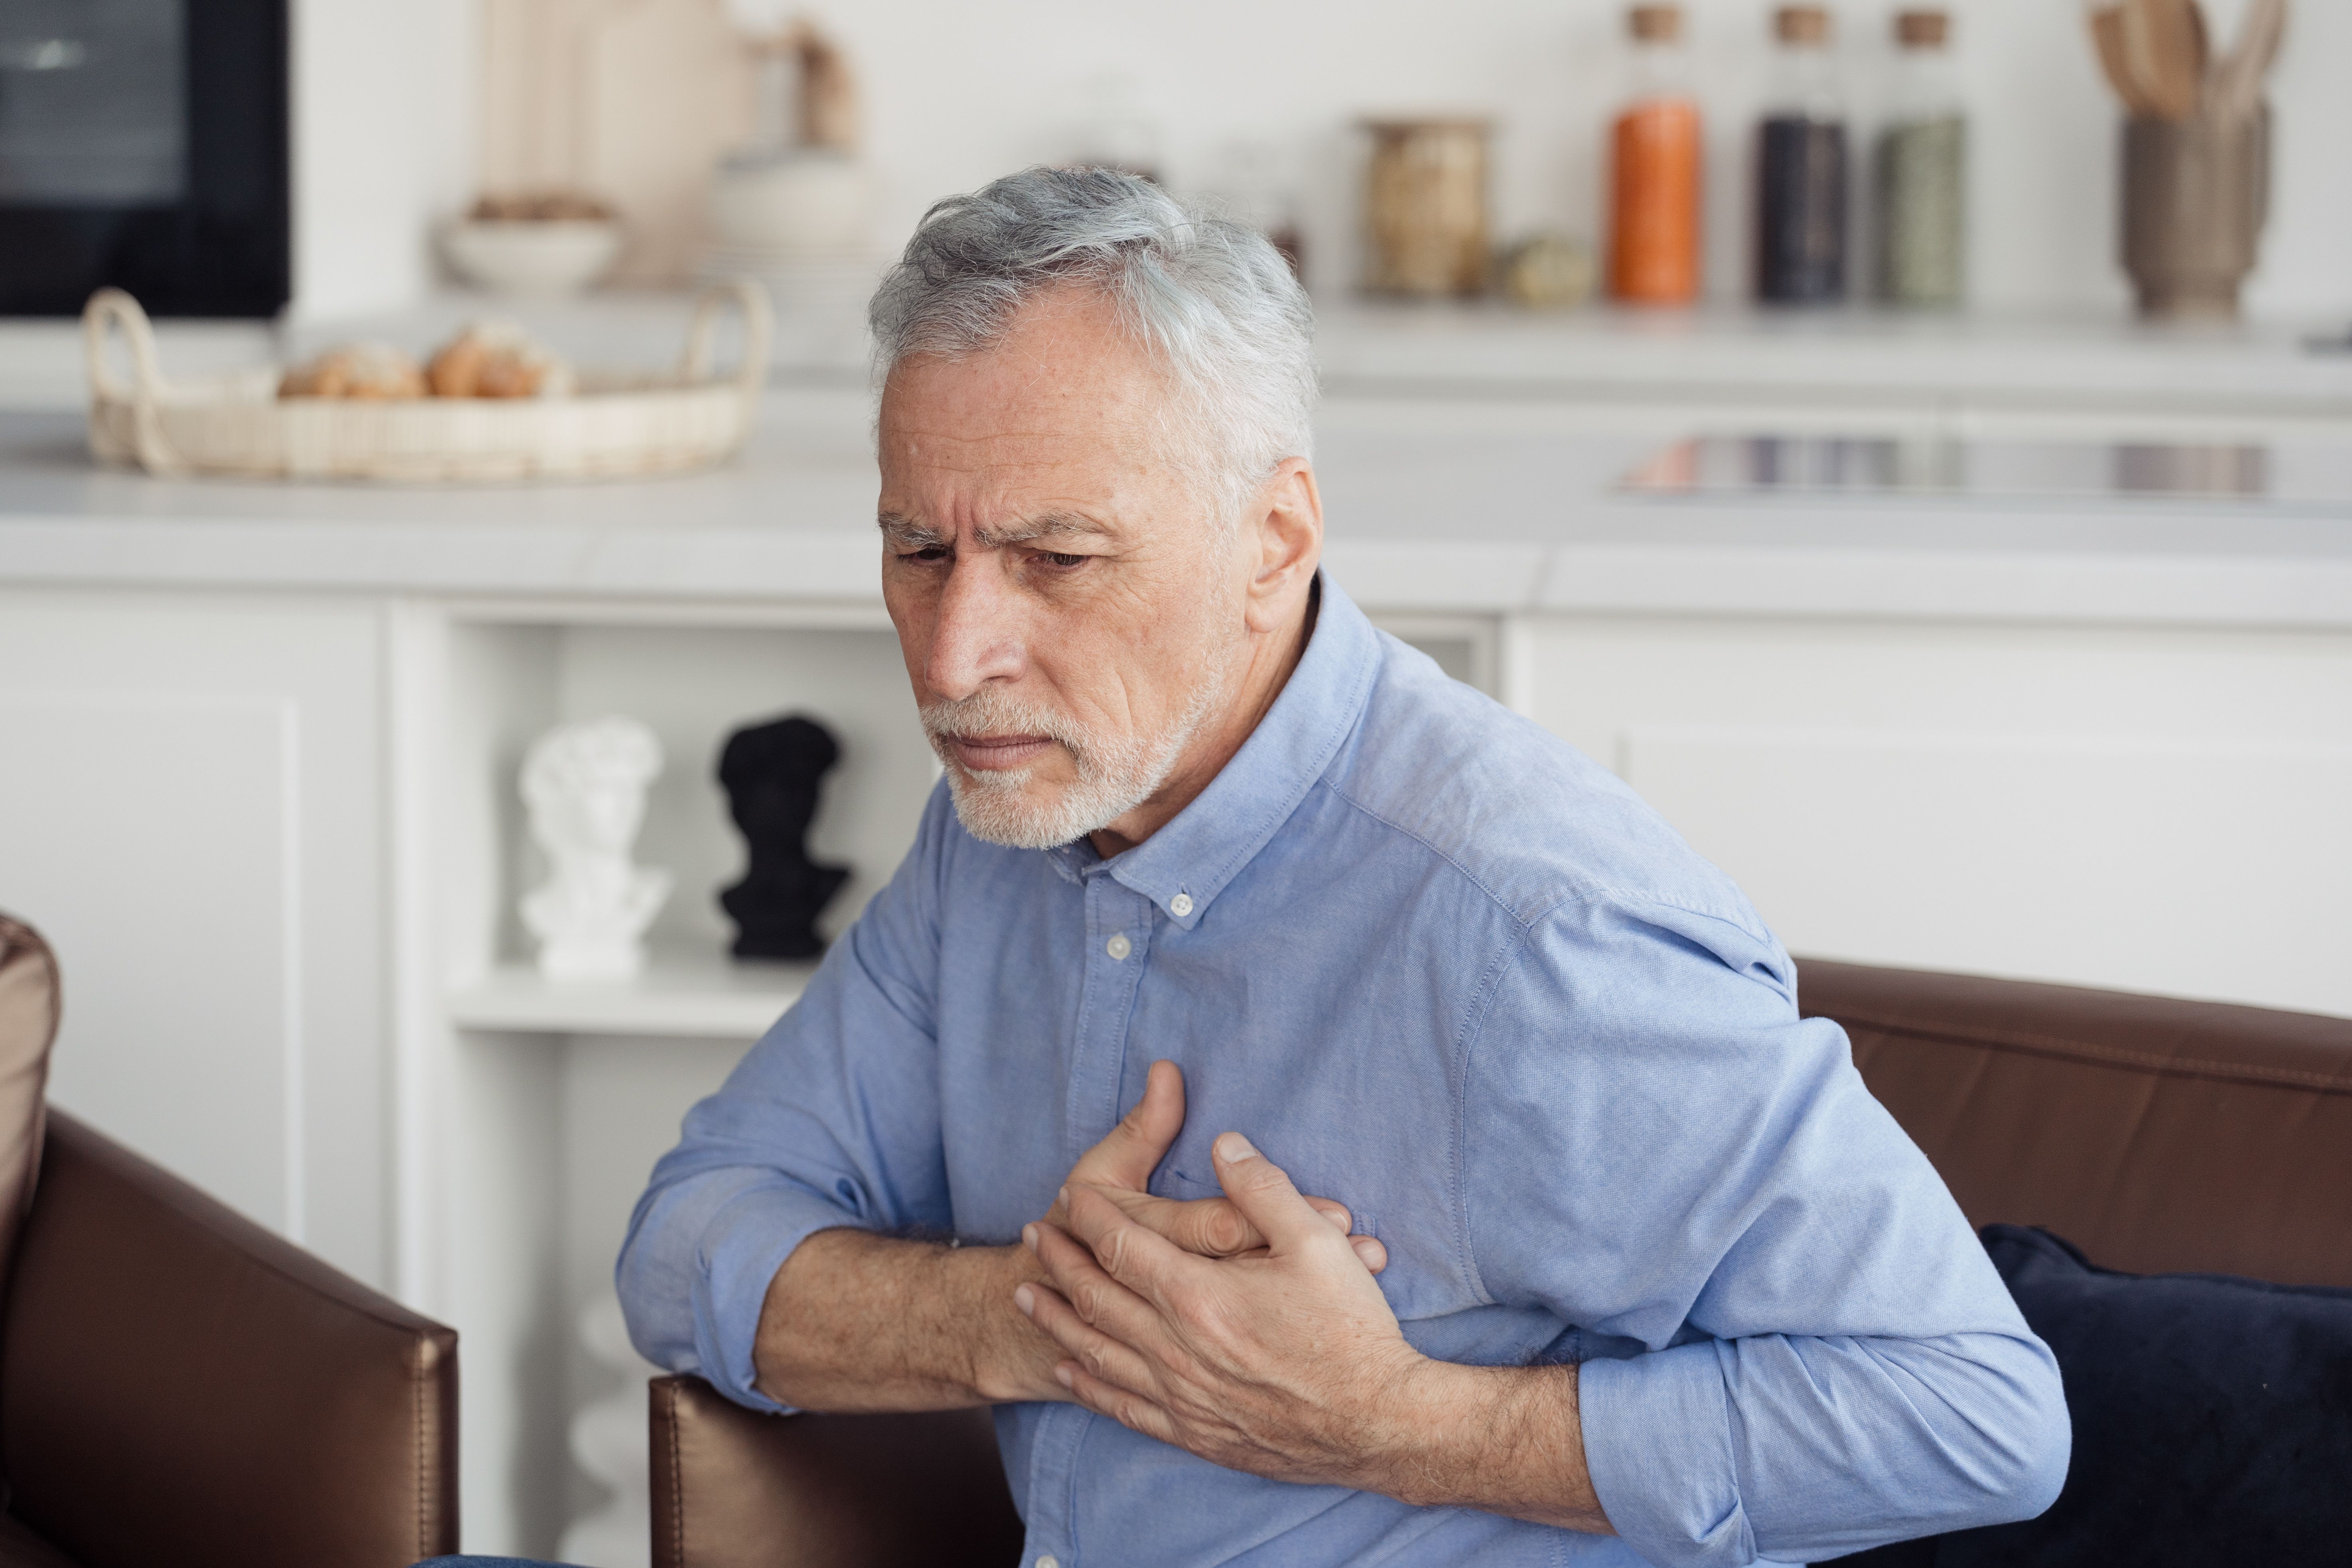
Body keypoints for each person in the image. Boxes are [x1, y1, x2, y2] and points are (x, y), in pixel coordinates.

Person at [617, 166, 2068, 1568]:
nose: (953, 658)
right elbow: (685, 1249)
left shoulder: (1536, 925)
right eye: (920, 550)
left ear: (1275, 540)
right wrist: (1040, 1316)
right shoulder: (1009, 815)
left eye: (1057, 560)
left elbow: (1971, 1414)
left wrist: (1392, 1424)